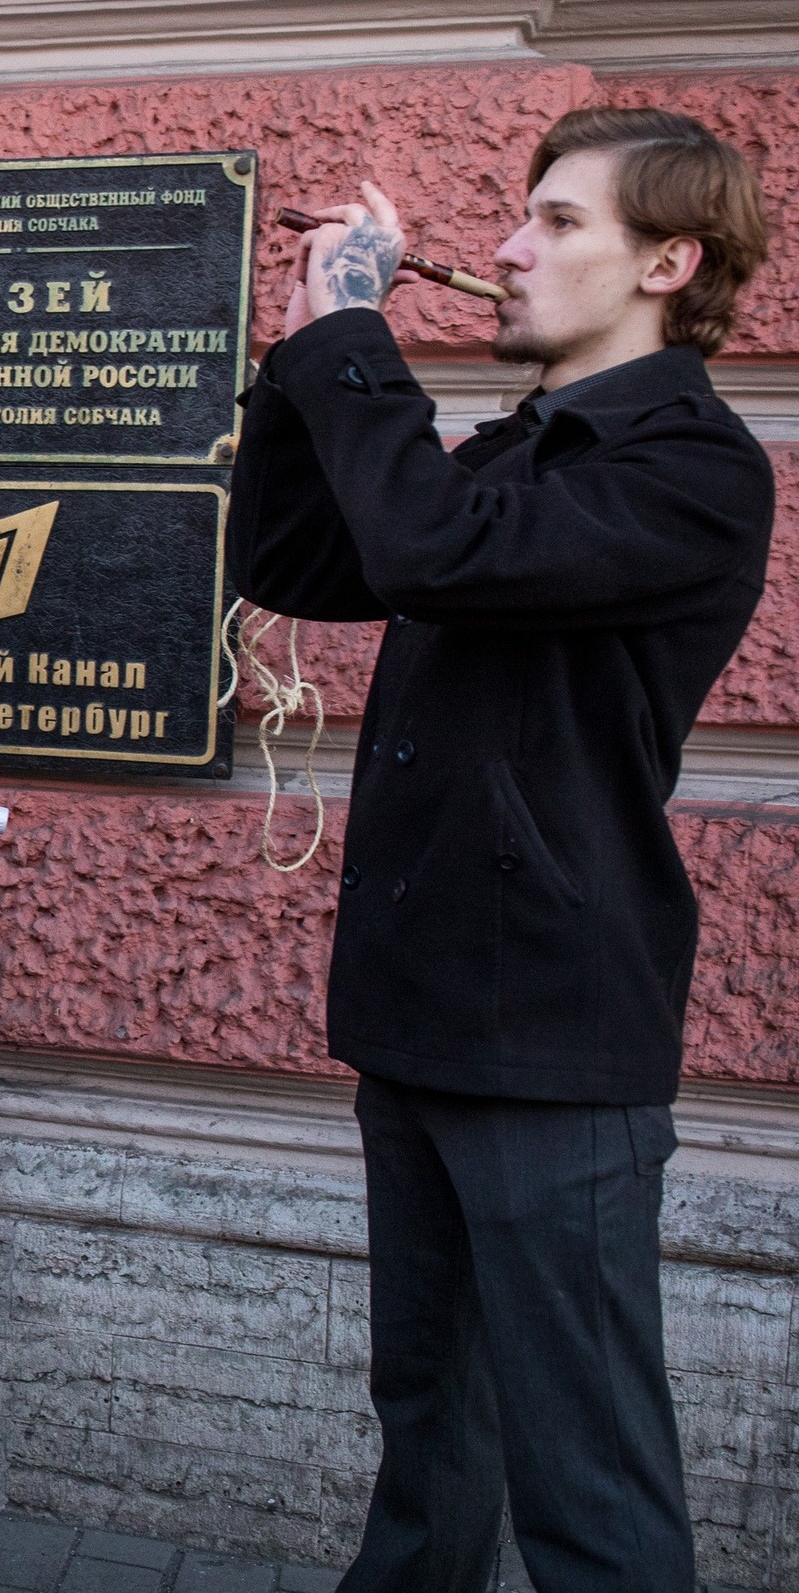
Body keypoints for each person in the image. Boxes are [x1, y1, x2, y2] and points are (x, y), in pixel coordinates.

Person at [226, 107, 774, 1591]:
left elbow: (429, 551)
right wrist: (302, 356)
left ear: (672, 261)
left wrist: (355, 338)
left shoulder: (692, 469)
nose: (508, 249)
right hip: (422, 1006)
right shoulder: (523, 444)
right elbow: (302, 560)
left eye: (556, 221)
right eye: (519, 217)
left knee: (584, 1473)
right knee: (433, 1429)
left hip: (551, 1024)